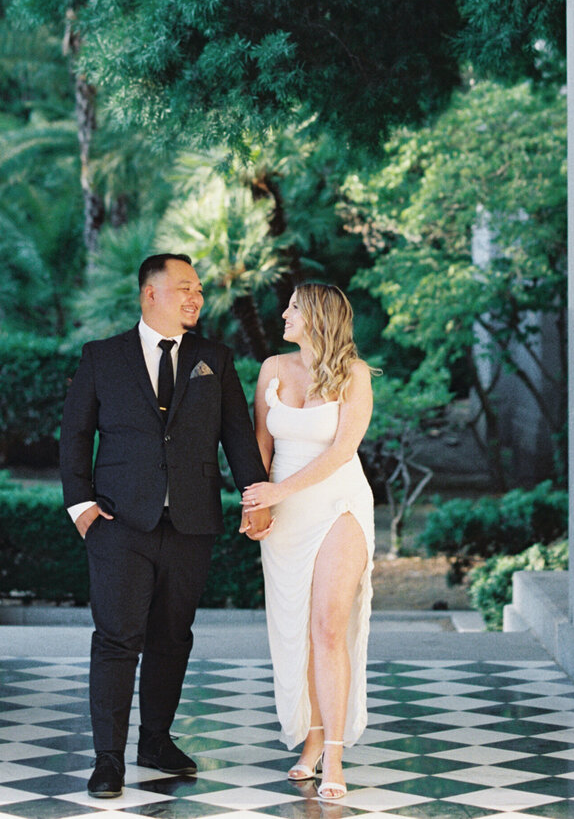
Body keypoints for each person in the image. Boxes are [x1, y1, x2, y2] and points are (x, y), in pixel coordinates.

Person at [60, 253, 272, 798]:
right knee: (116, 638)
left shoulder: (214, 358)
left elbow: (238, 438)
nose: (196, 297)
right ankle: (108, 759)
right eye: (185, 288)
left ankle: (156, 740)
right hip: (118, 523)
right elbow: (75, 436)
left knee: (172, 637)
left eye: (199, 289)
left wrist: (257, 497)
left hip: (192, 524)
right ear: (150, 293)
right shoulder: (101, 357)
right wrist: (81, 508)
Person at [241, 284, 375, 803]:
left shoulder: (355, 375)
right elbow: (260, 442)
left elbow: (344, 450)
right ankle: (312, 739)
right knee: (297, 629)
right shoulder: (273, 367)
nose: (284, 313)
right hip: (285, 512)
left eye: (294, 307)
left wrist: (281, 488)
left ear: (318, 316)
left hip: (338, 503)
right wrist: (259, 505)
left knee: (327, 626)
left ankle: (335, 754)